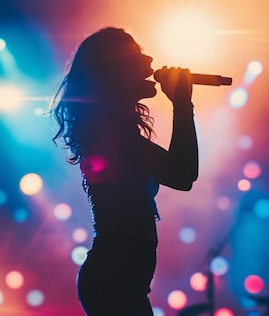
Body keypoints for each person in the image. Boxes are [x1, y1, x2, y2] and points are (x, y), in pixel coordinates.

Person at [52, 27, 199, 315]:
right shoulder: (113, 136)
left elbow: (182, 177)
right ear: (115, 72)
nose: (149, 60)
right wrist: (182, 104)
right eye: (136, 56)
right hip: (115, 282)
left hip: (117, 281)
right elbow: (183, 173)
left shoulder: (114, 131)